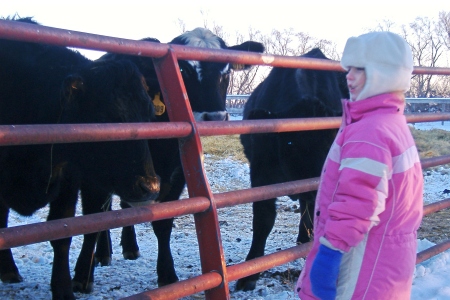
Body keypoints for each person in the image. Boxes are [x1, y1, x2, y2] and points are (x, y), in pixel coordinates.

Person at [296, 31, 424, 299]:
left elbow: (358, 201)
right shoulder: (392, 121)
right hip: (385, 261)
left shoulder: (371, 131)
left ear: (384, 74)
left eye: (359, 69)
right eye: (348, 69)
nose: (348, 76)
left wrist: (329, 256)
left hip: (360, 264)